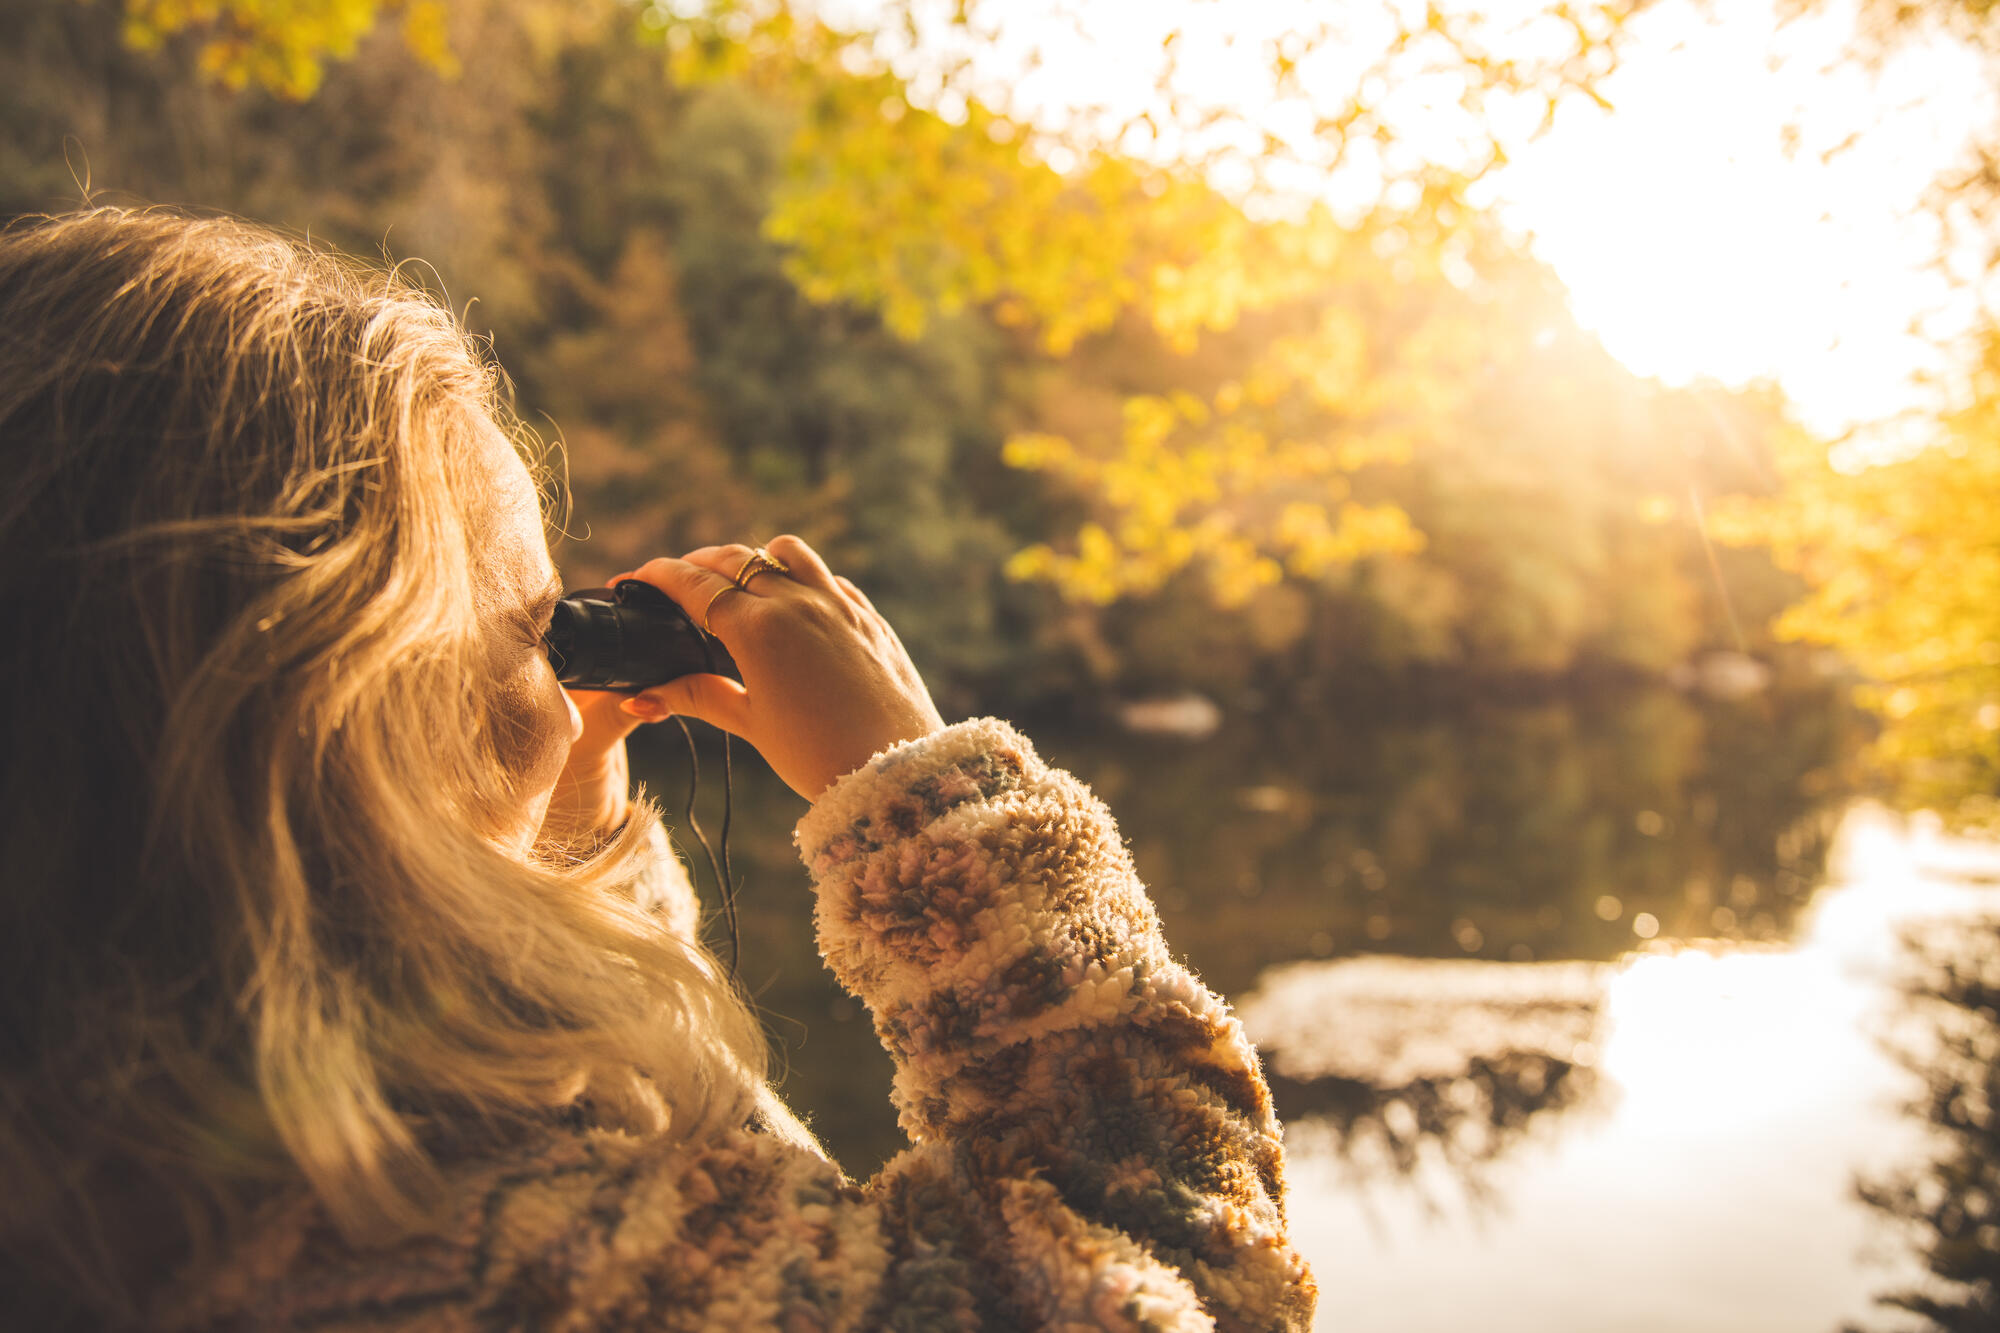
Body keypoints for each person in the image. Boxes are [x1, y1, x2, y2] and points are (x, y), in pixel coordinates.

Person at [0, 207, 1316, 1331]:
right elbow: (1185, 1268)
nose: (572, 707)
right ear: (345, 709)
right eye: (535, 637)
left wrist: (555, 850)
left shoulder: (162, 1177)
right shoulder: (529, 1257)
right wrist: (932, 793)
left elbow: (629, 1126)